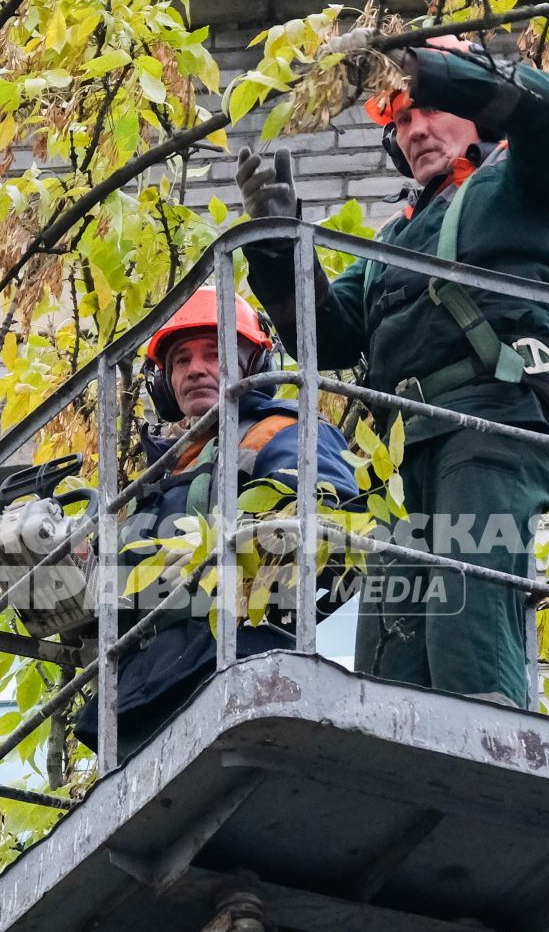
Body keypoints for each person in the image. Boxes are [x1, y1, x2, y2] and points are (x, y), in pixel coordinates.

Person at [234, 33, 549, 708]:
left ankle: (493, 746)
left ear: (476, 109)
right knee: (389, 651)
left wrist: (434, 68)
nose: (416, 130)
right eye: (400, 119)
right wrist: (281, 249)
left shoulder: (533, 181)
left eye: (427, 109)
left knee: (467, 624)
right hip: (404, 456)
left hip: (493, 424)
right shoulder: (394, 240)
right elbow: (331, 336)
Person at [74, 286, 354, 757]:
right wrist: (69, 571)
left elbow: (332, 528)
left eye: (215, 353)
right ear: (163, 383)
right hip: (141, 699)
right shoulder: (155, 481)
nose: (195, 369)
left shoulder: (282, 432)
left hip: (240, 669)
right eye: (181, 360)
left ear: (255, 367)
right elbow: (109, 607)